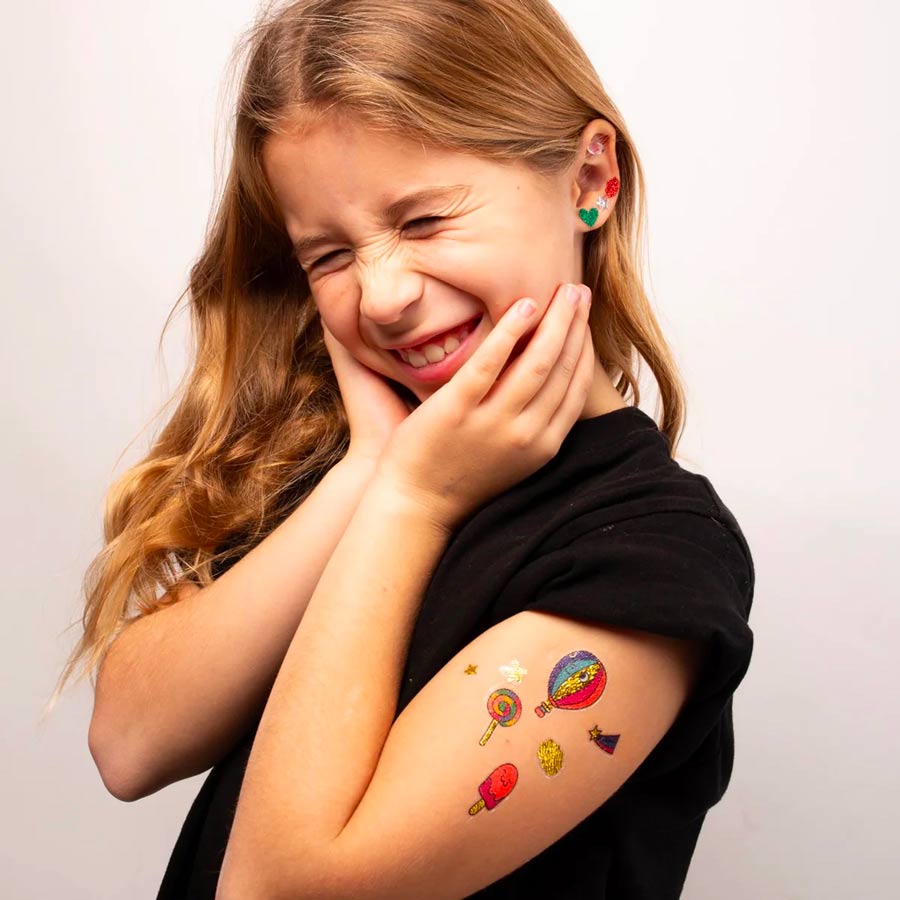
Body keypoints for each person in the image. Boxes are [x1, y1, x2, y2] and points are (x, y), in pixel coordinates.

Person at [50, 1, 755, 897]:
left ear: (589, 178)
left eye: (422, 222)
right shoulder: (338, 456)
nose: (381, 296)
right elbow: (128, 743)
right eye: (329, 255)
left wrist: (413, 501)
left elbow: (279, 886)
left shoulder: (655, 554)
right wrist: (369, 472)